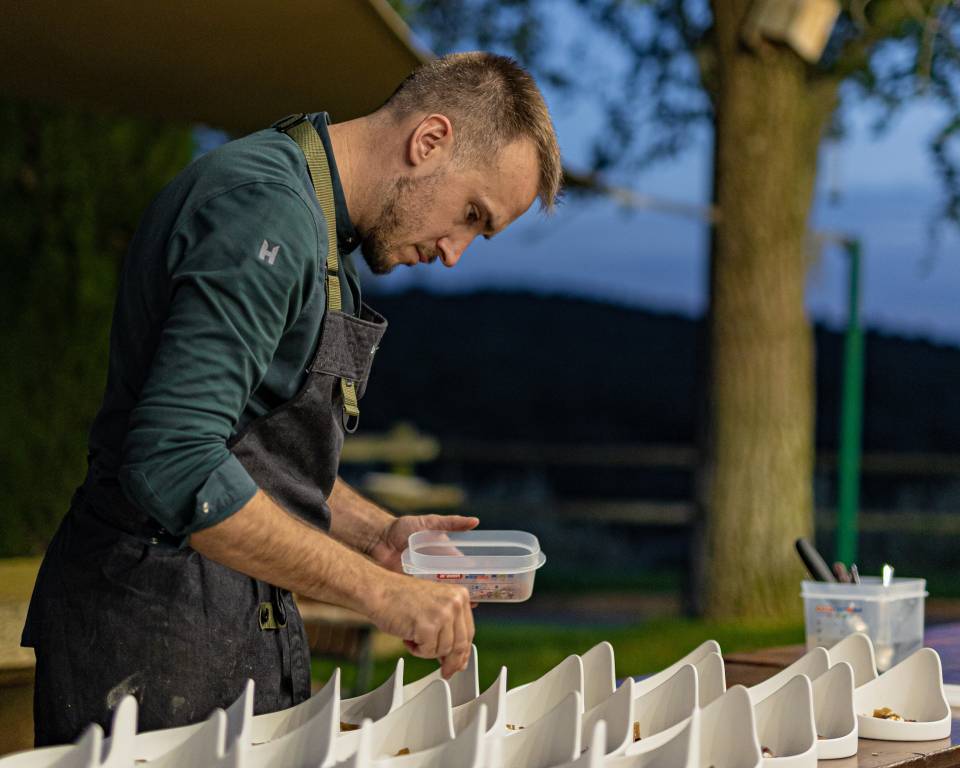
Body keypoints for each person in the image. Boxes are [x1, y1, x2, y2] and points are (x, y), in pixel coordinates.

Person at [21, 52, 562, 745]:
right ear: (429, 142)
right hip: (148, 644)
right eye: (471, 215)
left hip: (221, 624)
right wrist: (382, 595)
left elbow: (243, 455)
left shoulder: (315, 221)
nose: (455, 252)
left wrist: (379, 539)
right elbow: (175, 462)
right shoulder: (264, 212)